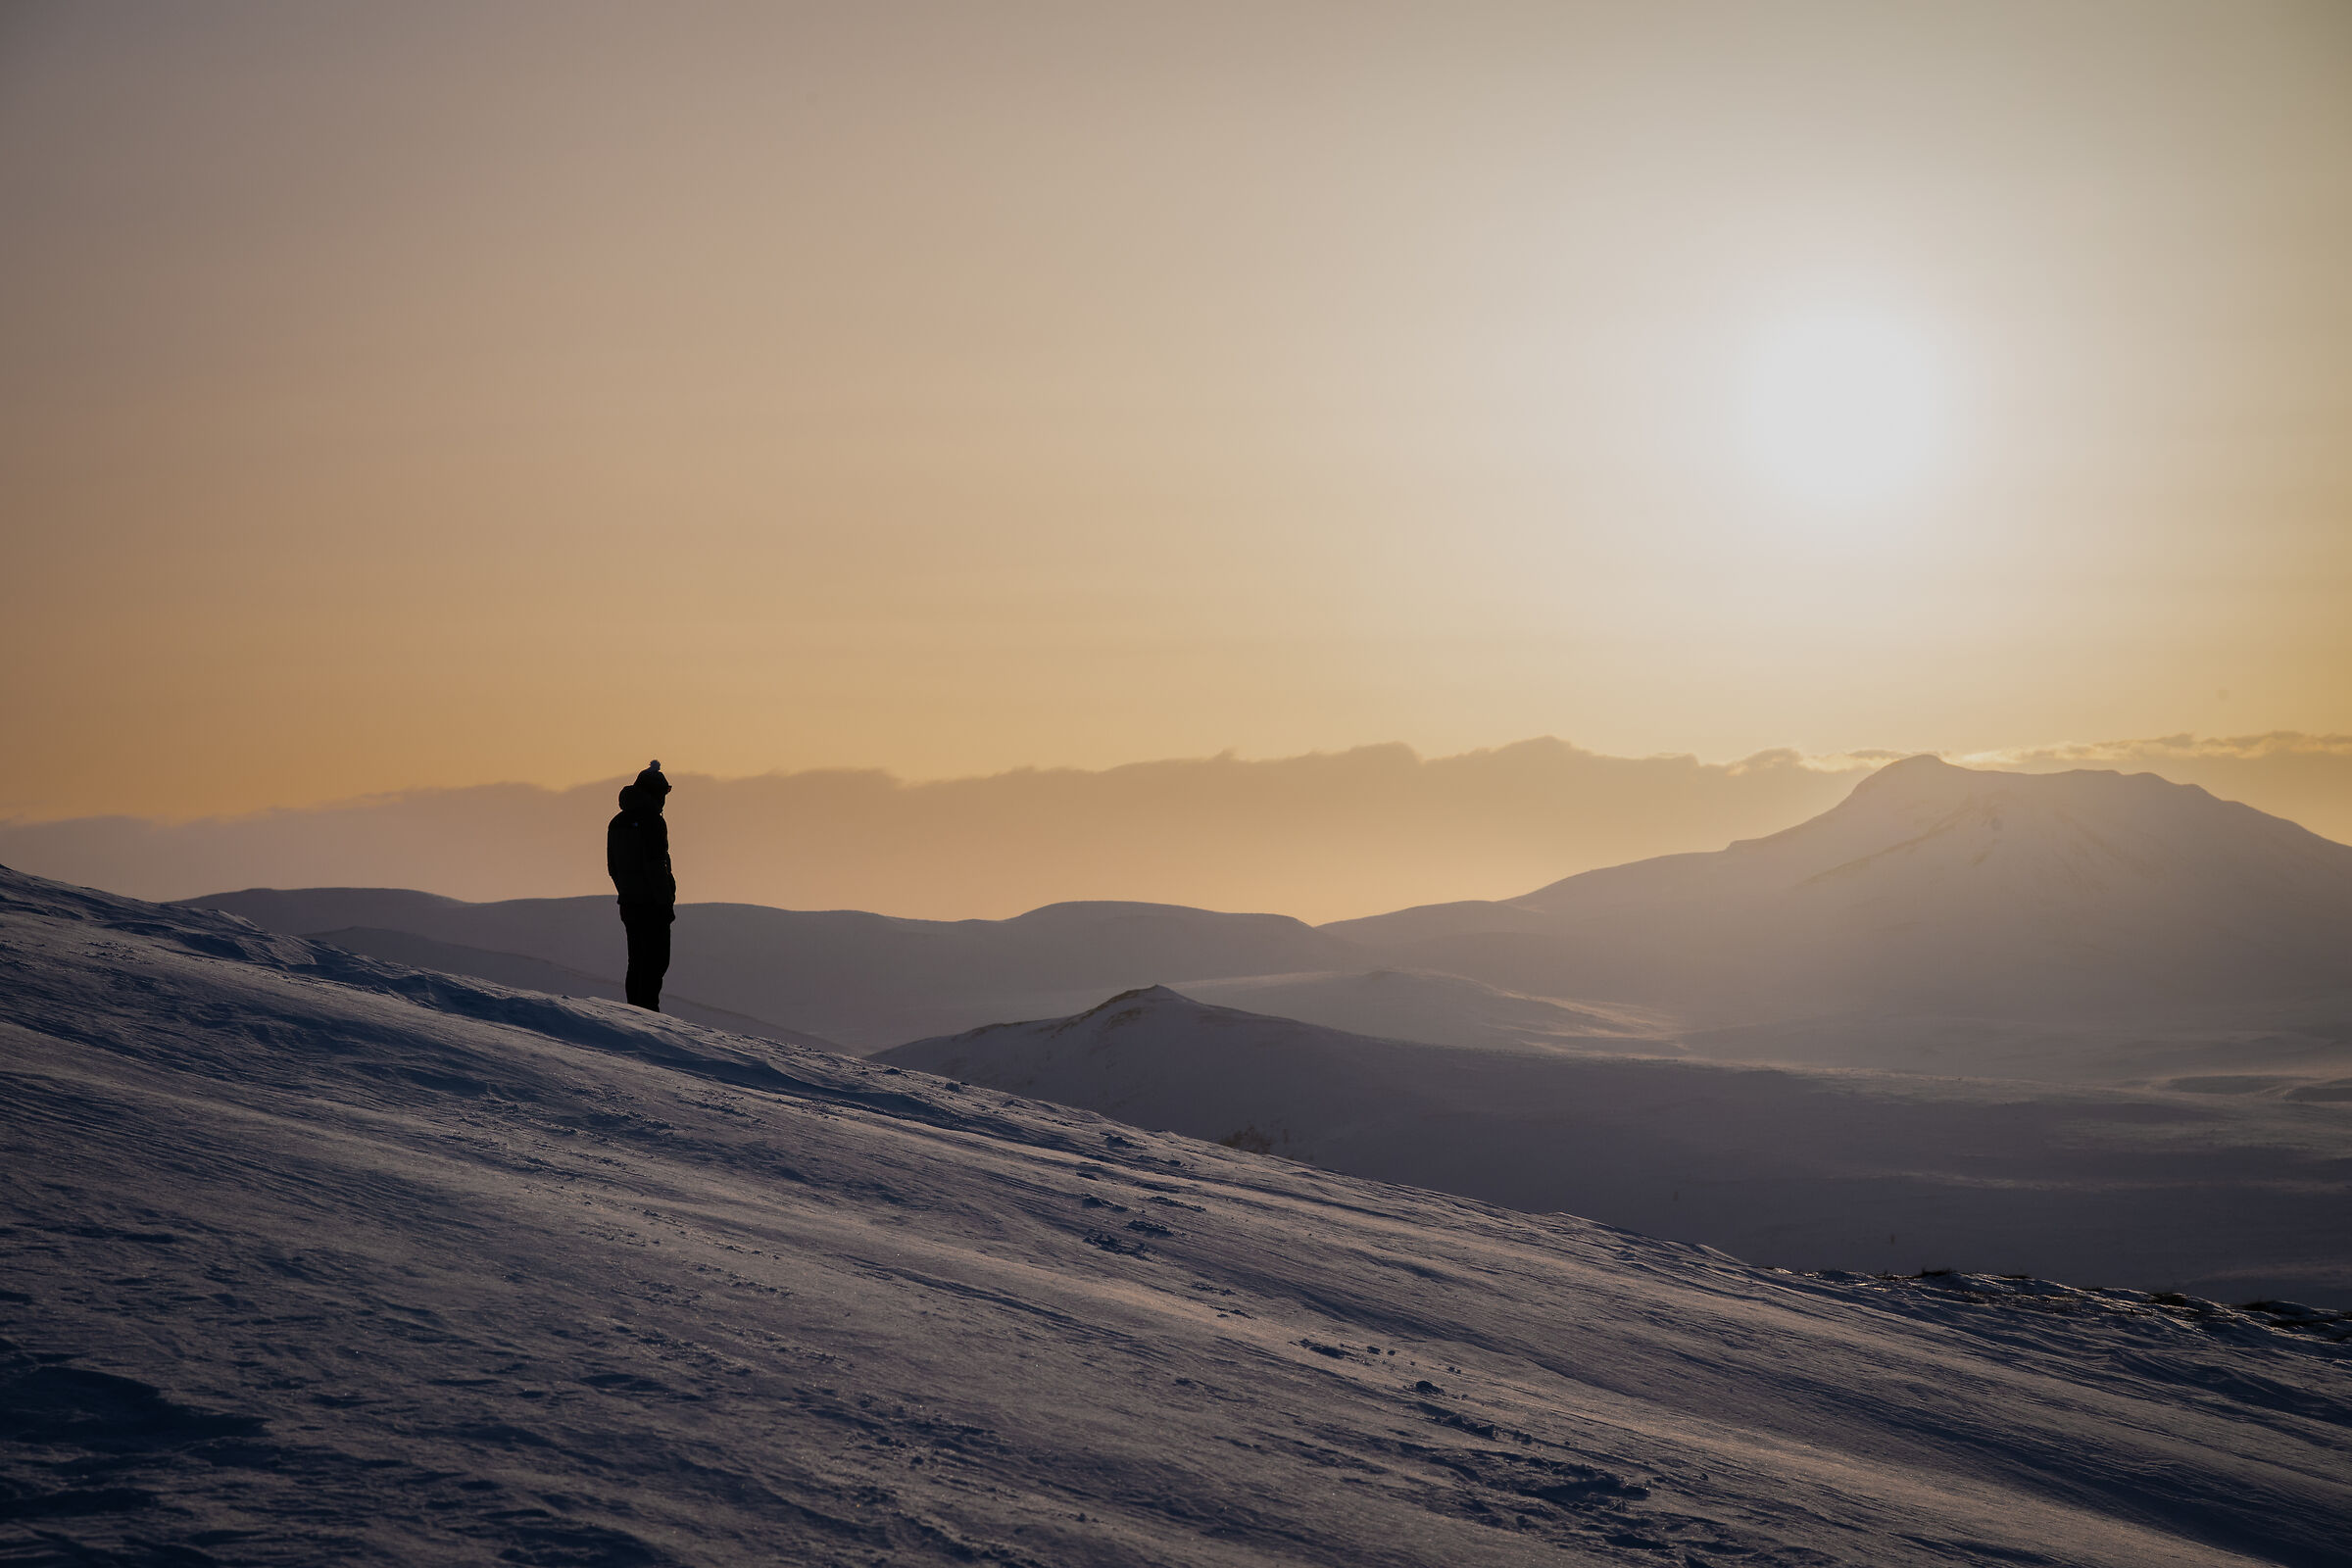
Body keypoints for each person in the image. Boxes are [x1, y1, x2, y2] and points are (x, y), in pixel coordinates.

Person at [606, 760, 676, 1010]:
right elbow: (656, 865)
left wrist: (626, 892)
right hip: (652, 905)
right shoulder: (653, 822)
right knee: (656, 962)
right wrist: (665, 901)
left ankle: (635, 1011)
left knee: (636, 961)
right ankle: (647, 1013)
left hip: (629, 903)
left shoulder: (617, 822)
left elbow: (612, 867)